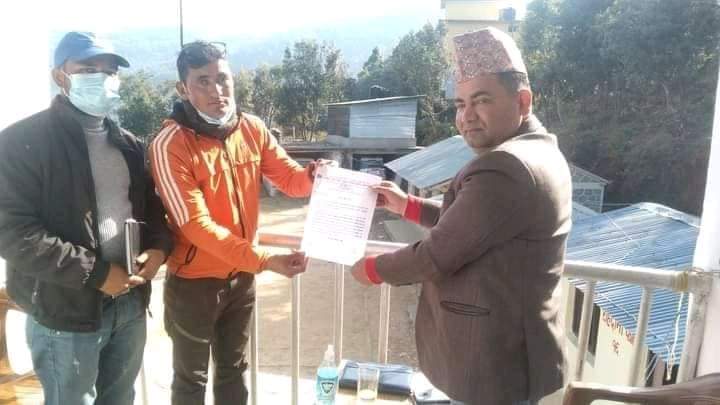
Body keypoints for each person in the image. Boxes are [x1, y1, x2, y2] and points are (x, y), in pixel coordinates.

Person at [351, 27, 571, 405]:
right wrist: (408, 205)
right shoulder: (539, 151)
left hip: (493, 364)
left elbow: (436, 255)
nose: (466, 116)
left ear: (523, 100)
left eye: (481, 100)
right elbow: (475, 226)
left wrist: (372, 269)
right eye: (459, 103)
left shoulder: (505, 166)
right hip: (511, 354)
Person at [0, 31, 172, 405]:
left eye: (110, 71)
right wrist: (96, 273)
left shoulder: (128, 144)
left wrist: (158, 249)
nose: (102, 78)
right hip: (65, 311)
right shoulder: (20, 143)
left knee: (120, 398)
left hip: (129, 303)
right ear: (59, 76)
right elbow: (13, 234)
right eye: (88, 69)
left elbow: (152, 209)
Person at [149, 41, 324, 405]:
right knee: (191, 381)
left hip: (241, 280)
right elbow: (195, 226)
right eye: (203, 81)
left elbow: (290, 180)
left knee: (234, 371)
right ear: (183, 88)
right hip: (194, 286)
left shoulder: (252, 128)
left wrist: (315, 176)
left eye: (223, 79)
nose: (217, 90)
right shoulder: (170, 144)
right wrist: (265, 260)